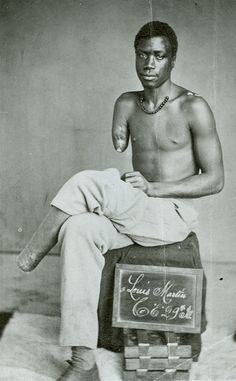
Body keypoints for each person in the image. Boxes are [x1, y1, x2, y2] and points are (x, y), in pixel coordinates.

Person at [16, 21, 224, 381]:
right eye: (143, 55)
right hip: (135, 214)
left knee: (86, 182)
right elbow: (123, 142)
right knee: (79, 228)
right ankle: (83, 361)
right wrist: (122, 124)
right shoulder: (127, 102)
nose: (149, 64)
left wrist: (155, 189)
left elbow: (215, 180)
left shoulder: (194, 107)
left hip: (170, 213)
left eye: (159, 56)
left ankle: (32, 253)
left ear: (173, 60)